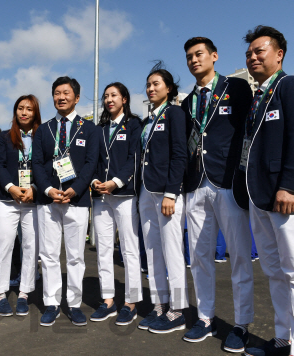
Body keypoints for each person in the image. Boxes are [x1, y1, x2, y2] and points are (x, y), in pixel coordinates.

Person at [232, 26, 294, 356]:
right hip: (260, 198)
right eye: (249, 53)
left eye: (260, 51)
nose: (253, 57)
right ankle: (284, 340)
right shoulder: (258, 97)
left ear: (279, 54)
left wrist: (289, 185)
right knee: (274, 272)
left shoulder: (292, 86)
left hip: (288, 198)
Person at [180, 37, 255, 351]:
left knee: (239, 257)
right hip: (196, 185)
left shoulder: (236, 89)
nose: (194, 60)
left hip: (228, 184)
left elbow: (248, 133)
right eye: (189, 57)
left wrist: (244, 177)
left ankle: (241, 325)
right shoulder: (186, 103)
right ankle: (206, 317)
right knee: (199, 258)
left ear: (214, 56)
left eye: (199, 54)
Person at [32, 76, 99, 327]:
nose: (61, 97)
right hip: (48, 200)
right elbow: (37, 163)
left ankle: (73, 303)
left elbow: (91, 163)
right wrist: (48, 189)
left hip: (77, 200)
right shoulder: (44, 129)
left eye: (66, 93)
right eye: (57, 93)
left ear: (77, 97)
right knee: (48, 254)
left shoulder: (90, 129)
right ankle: (51, 303)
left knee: (75, 256)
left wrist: (75, 189)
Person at [138, 62, 189, 334]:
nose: (151, 88)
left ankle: (178, 310)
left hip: (166, 194)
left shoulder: (175, 114)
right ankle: (160, 304)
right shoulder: (147, 120)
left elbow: (180, 154)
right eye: (148, 84)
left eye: (156, 84)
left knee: (172, 251)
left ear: (168, 89)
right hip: (146, 192)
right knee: (153, 251)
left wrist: (172, 192)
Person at [90, 82, 142, 325]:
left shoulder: (134, 125)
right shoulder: (98, 129)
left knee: (129, 249)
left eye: (114, 95)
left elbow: (135, 158)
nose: (109, 99)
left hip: (124, 195)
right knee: (103, 249)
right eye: (106, 96)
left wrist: (116, 182)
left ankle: (131, 302)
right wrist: (94, 181)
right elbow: (92, 160)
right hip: (101, 197)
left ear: (124, 98)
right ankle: (108, 300)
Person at [0, 94, 41, 317]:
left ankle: (24, 293)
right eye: (20, 108)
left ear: (35, 112)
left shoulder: (42, 136)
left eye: (29, 109)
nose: (24, 113)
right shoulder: (3, 137)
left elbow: (47, 166)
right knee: (4, 244)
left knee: (30, 246)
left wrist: (35, 188)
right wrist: (11, 187)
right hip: (7, 199)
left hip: (32, 200)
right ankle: (0, 294)